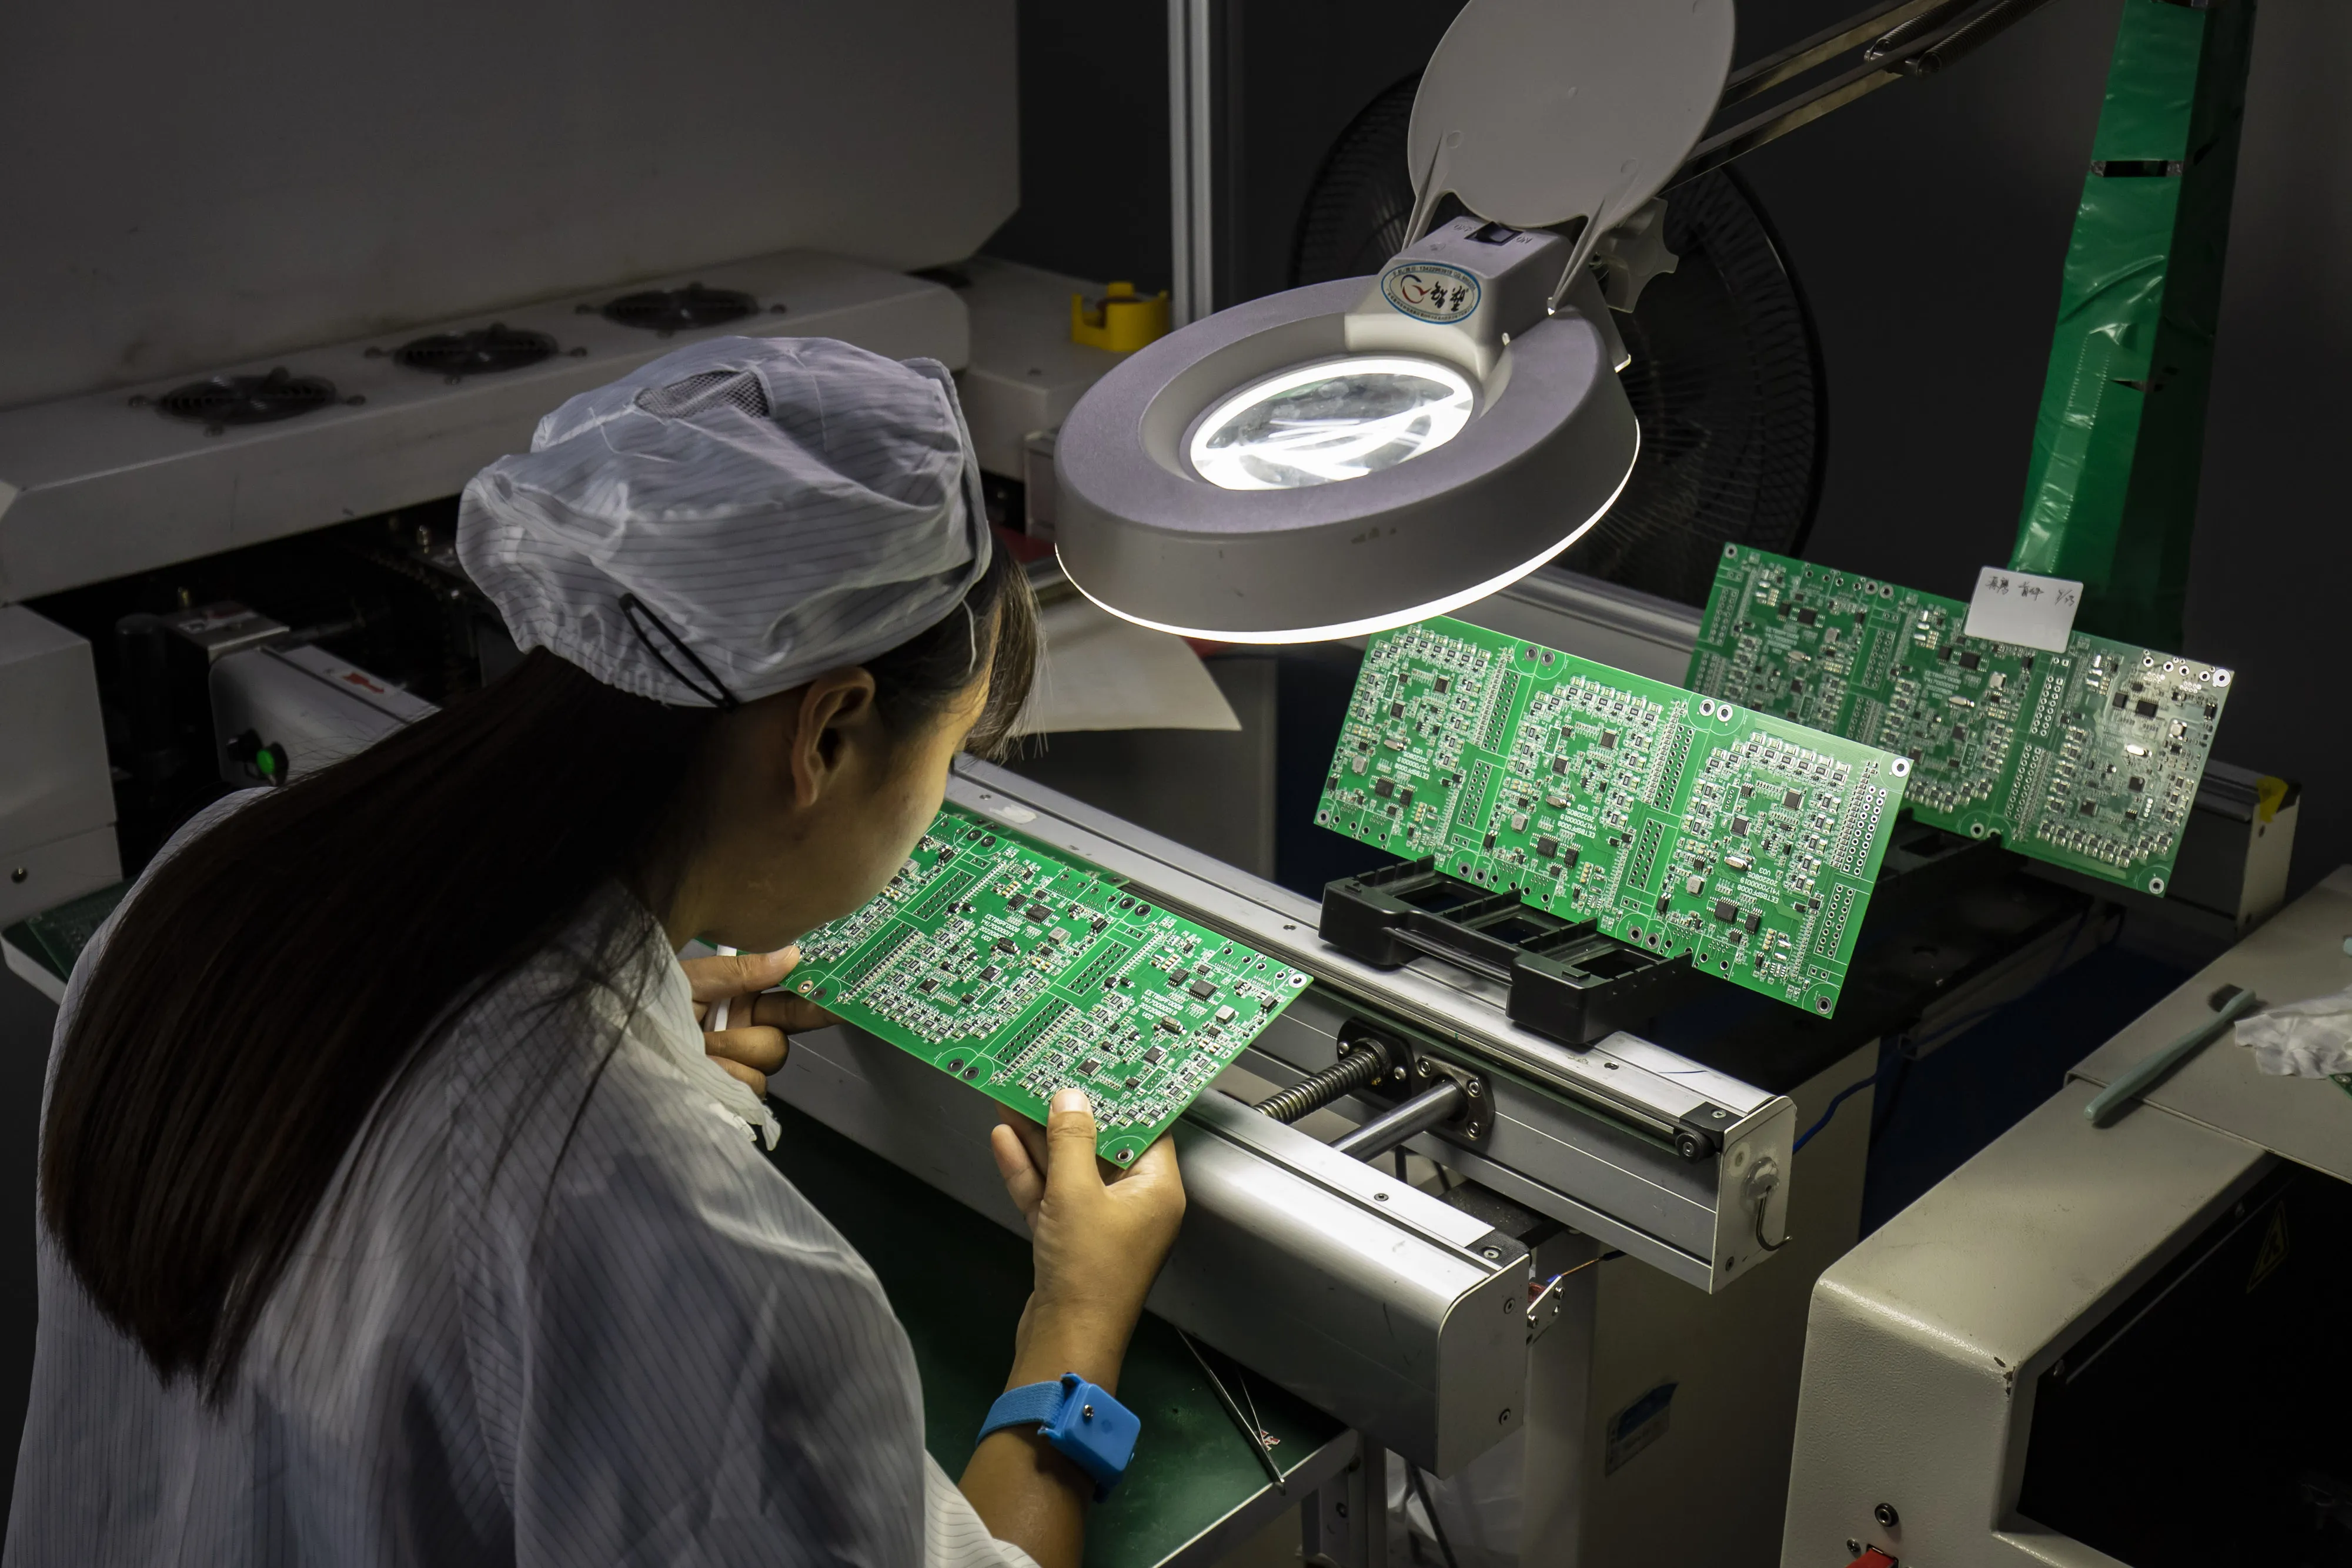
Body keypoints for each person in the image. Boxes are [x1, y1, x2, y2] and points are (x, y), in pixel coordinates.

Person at [7, 337, 1185, 1568]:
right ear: (827, 733)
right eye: (947, 759)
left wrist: (625, 1042)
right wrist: (1077, 1318)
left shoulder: (207, 876)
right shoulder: (693, 1254)